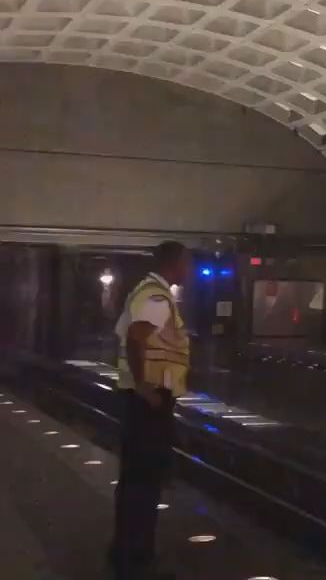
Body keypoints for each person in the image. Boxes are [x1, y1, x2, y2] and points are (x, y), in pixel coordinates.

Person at [109, 241, 192, 580]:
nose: (189, 269)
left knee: (136, 479)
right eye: (186, 262)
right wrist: (144, 385)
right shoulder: (157, 296)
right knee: (145, 480)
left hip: (143, 399)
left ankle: (126, 552)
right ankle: (137, 559)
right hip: (149, 400)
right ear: (174, 263)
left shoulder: (145, 291)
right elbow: (136, 337)